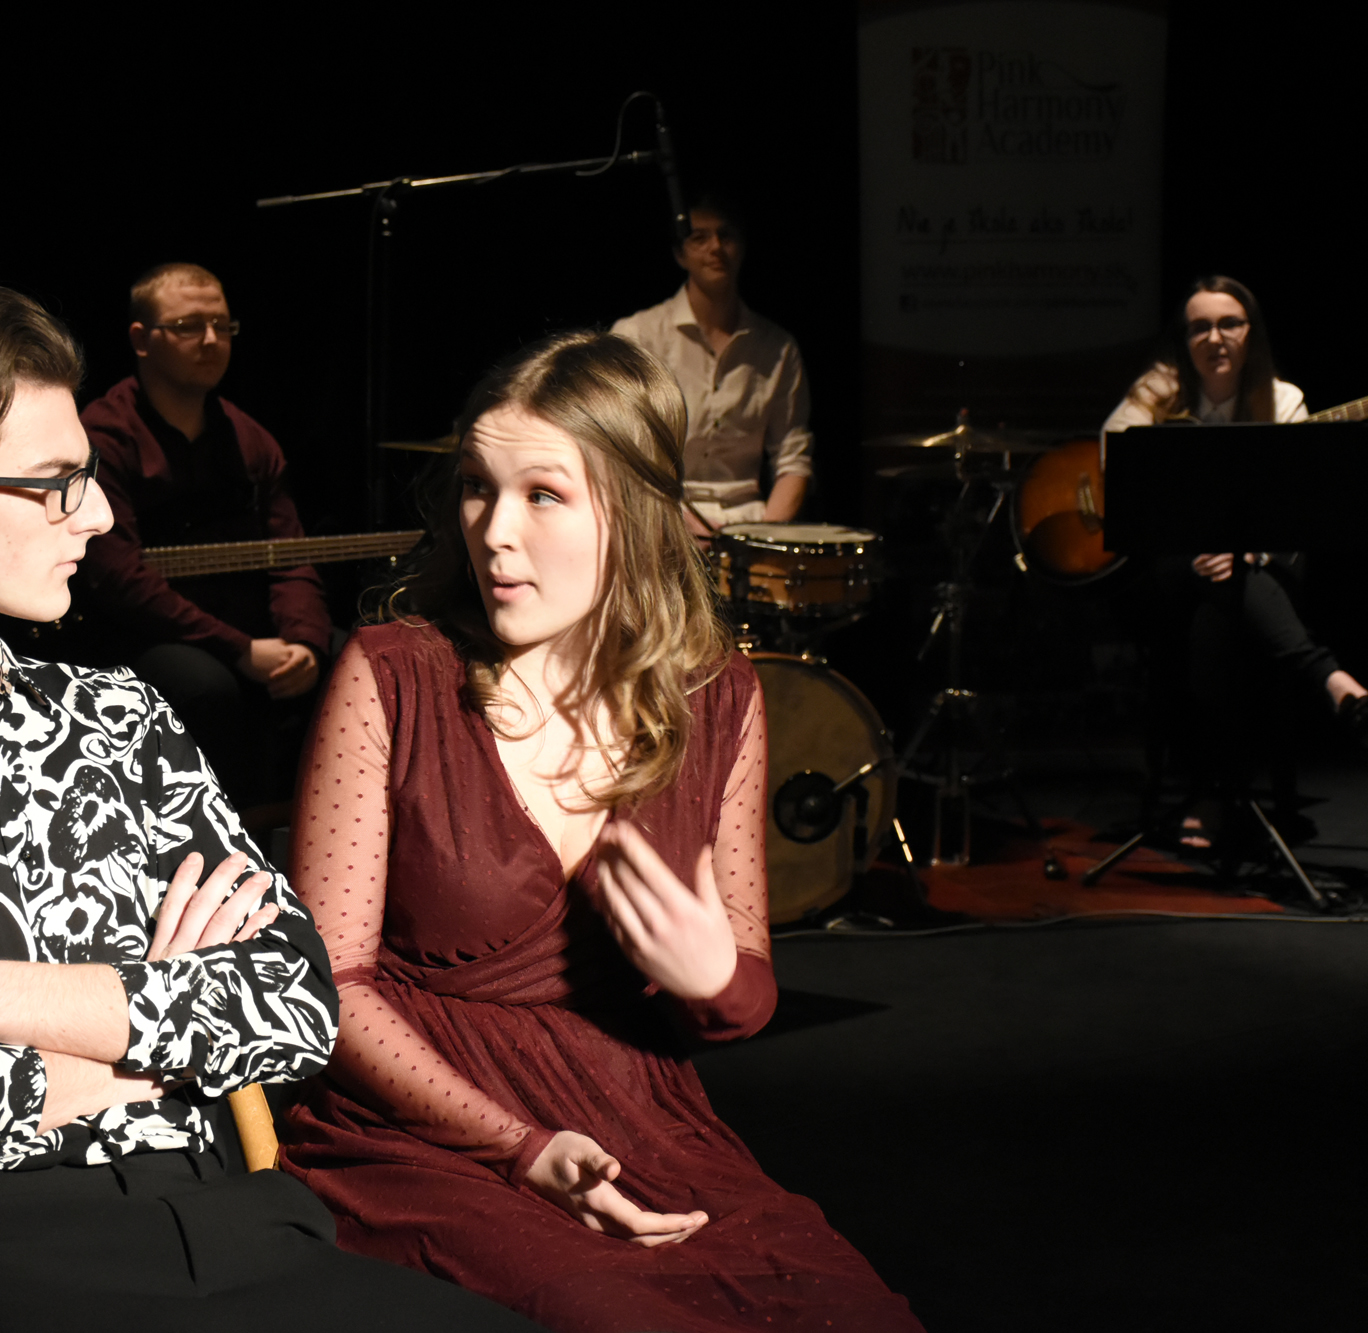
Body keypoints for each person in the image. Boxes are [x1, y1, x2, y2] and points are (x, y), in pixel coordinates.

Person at [0, 286, 540, 1333]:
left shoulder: (120, 714)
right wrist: (151, 1036)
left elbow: (293, 1002)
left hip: (235, 1218)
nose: (101, 515)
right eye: (58, 484)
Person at [276, 331, 921, 1332]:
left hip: (635, 1119)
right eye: (477, 488)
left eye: (543, 494)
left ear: (632, 509)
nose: (494, 531)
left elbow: (744, 995)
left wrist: (714, 978)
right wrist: (514, 1143)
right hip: (419, 1126)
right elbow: (332, 984)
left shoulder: (718, 696)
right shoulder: (393, 674)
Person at [1105, 275, 1368, 849]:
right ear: (1185, 338)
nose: (1214, 337)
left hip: (1252, 569)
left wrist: (1248, 550)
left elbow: (1297, 508)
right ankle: (1333, 680)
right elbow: (1116, 465)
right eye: (1199, 327)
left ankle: (1211, 796)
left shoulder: (1284, 400)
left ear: (1251, 333)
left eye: (1229, 323)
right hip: (1172, 571)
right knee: (1213, 589)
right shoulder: (1158, 392)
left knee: (1217, 621)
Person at [62, 263, 332, 809]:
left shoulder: (251, 439)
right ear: (141, 339)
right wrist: (238, 648)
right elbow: (119, 579)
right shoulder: (104, 436)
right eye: (188, 326)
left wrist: (305, 642)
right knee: (203, 685)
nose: (211, 340)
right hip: (145, 632)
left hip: (247, 632)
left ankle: (315, 834)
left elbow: (291, 557)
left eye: (222, 326)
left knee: (348, 661)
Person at [610, 199, 812, 539]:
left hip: (750, 528)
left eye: (726, 235)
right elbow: (620, 450)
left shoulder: (777, 347)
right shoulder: (638, 335)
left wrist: (761, 539)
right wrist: (678, 525)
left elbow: (793, 459)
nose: (715, 247)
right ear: (680, 254)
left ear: (742, 247)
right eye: (699, 238)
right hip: (661, 519)